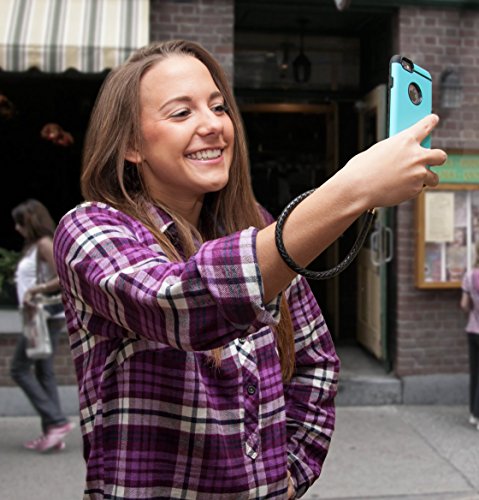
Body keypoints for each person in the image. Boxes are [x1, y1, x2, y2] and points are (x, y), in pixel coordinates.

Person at [53, 40, 446, 499]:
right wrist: (351, 190)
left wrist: (292, 472)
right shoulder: (89, 229)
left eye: (218, 106)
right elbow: (178, 304)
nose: (213, 125)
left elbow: (315, 359)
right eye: (181, 113)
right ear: (131, 146)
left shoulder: (255, 225)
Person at [11, 199, 76, 452]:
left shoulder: (44, 243)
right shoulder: (34, 246)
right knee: (43, 371)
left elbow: (63, 277)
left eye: (20, 222)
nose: (16, 228)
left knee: (18, 368)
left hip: (44, 314)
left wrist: (36, 289)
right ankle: (53, 433)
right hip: (39, 315)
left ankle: (57, 421)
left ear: (30, 221)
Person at [460, 243, 479, 431]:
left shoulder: (470, 275)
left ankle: (473, 413)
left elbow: (464, 304)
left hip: (473, 329)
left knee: (475, 372)